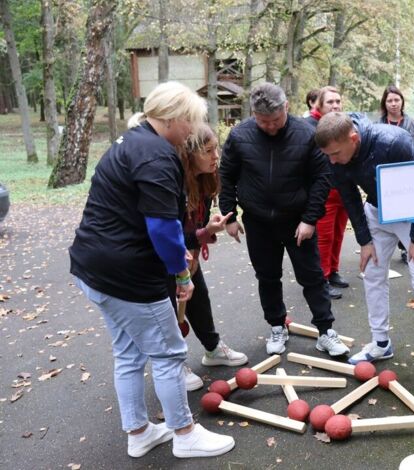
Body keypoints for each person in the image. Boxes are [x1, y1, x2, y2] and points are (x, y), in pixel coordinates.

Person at [69, 82, 234, 458]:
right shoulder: (158, 156)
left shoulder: (132, 140)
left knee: (128, 352)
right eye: (191, 122)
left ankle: (139, 432)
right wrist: (180, 274)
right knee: (169, 353)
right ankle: (185, 433)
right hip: (125, 275)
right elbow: (163, 228)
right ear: (174, 118)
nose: (193, 131)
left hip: (92, 267)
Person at [219, 82, 349, 358]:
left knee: (312, 277)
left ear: (286, 108)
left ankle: (325, 331)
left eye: (275, 120)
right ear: (254, 114)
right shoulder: (240, 136)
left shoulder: (306, 134)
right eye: (263, 121)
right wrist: (229, 215)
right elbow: (226, 175)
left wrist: (310, 219)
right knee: (267, 276)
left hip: (297, 221)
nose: (269, 126)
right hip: (258, 222)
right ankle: (277, 325)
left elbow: (322, 179)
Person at [315, 112, 414, 389]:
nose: (333, 161)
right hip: (376, 210)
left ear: (354, 138)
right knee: (372, 273)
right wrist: (364, 241)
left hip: (412, 212)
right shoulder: (335, 155)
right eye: (329, 155)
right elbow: (350, 197)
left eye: (336, 153)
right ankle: (381, 343)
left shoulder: (394, 141)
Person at [167, 123, 248, 392]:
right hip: (165, 256)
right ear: (190, 153)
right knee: (169, 308)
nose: (216, 157)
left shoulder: (206, 179)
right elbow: (169, 229)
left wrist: (207, 231)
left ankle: (213, 350)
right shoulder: (173, 182)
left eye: (217, 150)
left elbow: (196, 226)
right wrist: (188, 247)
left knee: (199, 298)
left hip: (188, 252)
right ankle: (174, 364)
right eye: (209, 151)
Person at [307, 86, 349, 300]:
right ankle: (321, 279)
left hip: (342, 188)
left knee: (338, 233)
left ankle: (332, 271)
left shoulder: (342, 124)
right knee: (323, 237)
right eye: (330, 102)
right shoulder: (309, 126)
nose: (335, 106)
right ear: (319, 105)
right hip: (323, 191)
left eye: (338, 101)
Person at [378, 85, 414, 263]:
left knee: (409, 212)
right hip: (388, 177)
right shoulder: (378, 125)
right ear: (384, 103)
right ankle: (395, 244)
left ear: (402, 102)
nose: (393, 104)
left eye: (396, 100)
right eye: (389, 100)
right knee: (393, 212)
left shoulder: (412, 123)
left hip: (410, 175)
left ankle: (408, 246)